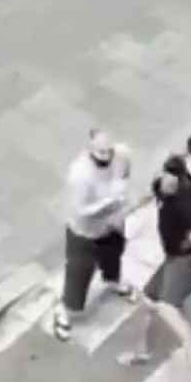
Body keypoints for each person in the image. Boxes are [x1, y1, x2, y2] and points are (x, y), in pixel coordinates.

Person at [116, 138, 191, 374]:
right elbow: (177, 155)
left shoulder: (186, 200)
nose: (165, 178)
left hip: (188, 260)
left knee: (165, 307)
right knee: (149, 302)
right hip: (174, 256)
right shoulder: (173, 172)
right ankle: (143, 351)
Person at [52, 128, 139, 341]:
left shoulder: (122, 154)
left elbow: (125, 173)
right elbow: (81, 210)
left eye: (108, 151)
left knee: (114, 255)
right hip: (85, 232)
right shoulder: (80, 174)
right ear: (90, 149)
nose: (106, 157)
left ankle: (113, 280)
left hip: (112, 224)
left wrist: (121, 200)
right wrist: (112, 202)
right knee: (79, 273)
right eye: (100, 153)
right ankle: (64, 310)